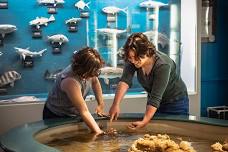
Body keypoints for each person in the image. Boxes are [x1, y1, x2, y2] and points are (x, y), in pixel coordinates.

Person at [109, 33, 189, 130]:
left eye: (136, 57)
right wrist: (115, 104)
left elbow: (156, 97)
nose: (133, 61)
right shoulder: (133, 60)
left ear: (146, 52)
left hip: (176, 102)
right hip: (154, 103)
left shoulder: (163, 65)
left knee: (176, 134)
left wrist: (145, 121)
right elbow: (124, 81)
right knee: (156, 134)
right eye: (130, 57)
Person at [43, 47, 106, 134]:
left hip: (73, 112)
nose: (94, 74)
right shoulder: (70, 81)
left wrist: (100, 104)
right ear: (84, 69)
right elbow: (84, 111)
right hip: (57, 115)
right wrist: (98, 132)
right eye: (92, 71)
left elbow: (95, 82)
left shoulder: (89, 70)